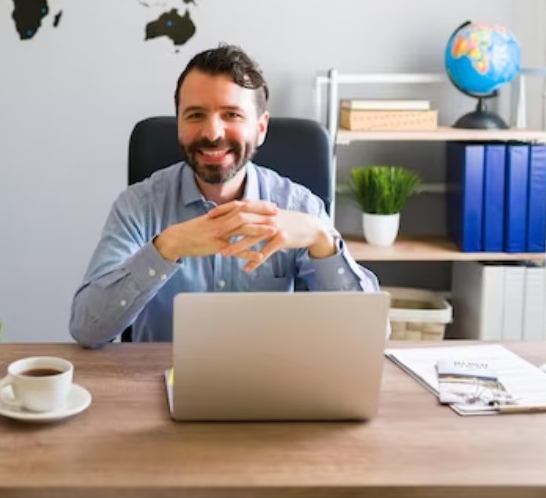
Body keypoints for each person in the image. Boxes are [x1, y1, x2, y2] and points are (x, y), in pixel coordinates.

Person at [69, 44, 380, 348]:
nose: (213, 133)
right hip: (156, 386)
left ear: (260, 128)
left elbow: (369, 336)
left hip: (271, 390)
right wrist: (166, 248)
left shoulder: (300, 206)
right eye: (195, 115)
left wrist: (321, 238)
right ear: (179, 124)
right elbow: (87, 329)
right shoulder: (138, 206)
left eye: (231, 114)